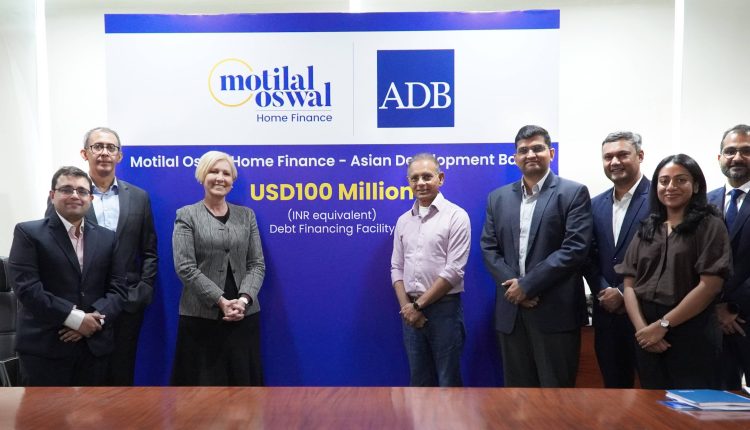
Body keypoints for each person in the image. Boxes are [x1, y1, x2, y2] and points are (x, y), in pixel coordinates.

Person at [481, 125, 593, 387]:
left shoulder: (573, 193)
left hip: (555, 312)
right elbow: (489, 248)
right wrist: (516, 289)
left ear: (551, 153)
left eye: (537, 148)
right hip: (512, 312)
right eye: (523, 150)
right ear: (515, 158)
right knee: (517, 398)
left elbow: (575, 248)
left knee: (556, 397)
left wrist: (528, 286)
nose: (530, 154)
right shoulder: (497, 198)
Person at [616, 154, 731, 389]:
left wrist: (663, 326)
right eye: (664, 180)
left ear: (696, 185)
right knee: (651, 405)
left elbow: (709, 286)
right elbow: (629, 284)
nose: (671, 187)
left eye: (681, 180)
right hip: (646, 332)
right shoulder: (648, 227)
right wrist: (643, 330)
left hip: (691, 330)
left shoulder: (710, 225)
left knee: (690, 406)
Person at [9, 166, 126, 386]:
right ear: (52, 195)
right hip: (45, 349)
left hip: (94, 349)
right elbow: (27, 288)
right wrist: (76, 319)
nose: (74, 195)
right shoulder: (28, 233)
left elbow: (119, 288)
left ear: (90, 198)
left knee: (94, 410)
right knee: (44, 410)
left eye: (82, 191)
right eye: (66, 189)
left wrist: (92, 321)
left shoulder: (107, 238)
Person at [172, 150, 265, 386]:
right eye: (214, 171)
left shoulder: (247, 216)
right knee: (201, 393)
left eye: (226, 173)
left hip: (243, 316)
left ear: (233, 181)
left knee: (243, 389)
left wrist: (243, 301)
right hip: (200, 318)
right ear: (203, 176)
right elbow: (185, 266)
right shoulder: (186, 215)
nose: (220, 178)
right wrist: (221, 301)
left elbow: (256, 264)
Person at [80, 127, 158, 386]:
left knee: (123, 378)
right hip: (86, 304)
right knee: (87, 382)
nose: (104, 152)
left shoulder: (138, 197)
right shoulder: (71, 195)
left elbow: (149, 251)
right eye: (97, 146)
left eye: (110, 147)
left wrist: (143, 290)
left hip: (127, 303)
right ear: (85, 153)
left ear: (119, 156)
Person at [391, 153, 471, 387]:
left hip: (445, 310)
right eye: (414, 178)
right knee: (419, 383)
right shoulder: (403, 221)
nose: (421, 183)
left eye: (427, 176)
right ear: (409, 182)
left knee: (448, 383)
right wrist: (407, 308)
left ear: (440, 178)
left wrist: (417, 306)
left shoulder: (456, 216)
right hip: (410, 312)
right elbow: (396, 267)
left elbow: (454, 270)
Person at [584, 132, 649, 388]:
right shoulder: (594, 204)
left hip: (648, 314)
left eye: (622, 155)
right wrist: (603, 290)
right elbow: (588, 255)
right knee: (614, 393)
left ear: (640, 156)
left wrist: (623, 292)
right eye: (608, 157)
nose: (614, 162)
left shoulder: (660, 198)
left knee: (655, 394)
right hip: (607, 317)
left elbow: (660, 258)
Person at [708, 124, 750, 390]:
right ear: (719, 157)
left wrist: (732, 307)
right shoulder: (703, 202)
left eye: (746, 151)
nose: (737, 157)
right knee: (719, 402)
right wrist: (715, 307)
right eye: (730, 151)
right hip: (711, 323)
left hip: (744, 315)